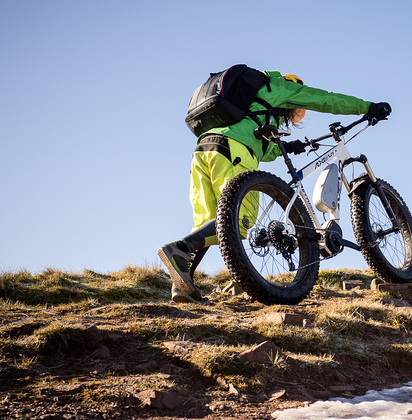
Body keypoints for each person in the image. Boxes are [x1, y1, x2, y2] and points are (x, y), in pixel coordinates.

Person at [158, 70, 391, 303]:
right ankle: (179, 249)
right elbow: (324, 98)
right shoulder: (281, 86)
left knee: (211, 225)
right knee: (237, 221)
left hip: (204, 150)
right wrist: (367, 107)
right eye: (299, 110)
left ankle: (182, 287)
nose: (297, 114)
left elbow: (260, 144)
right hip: (235, 149)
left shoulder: (256, 102)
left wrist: (289, 147)